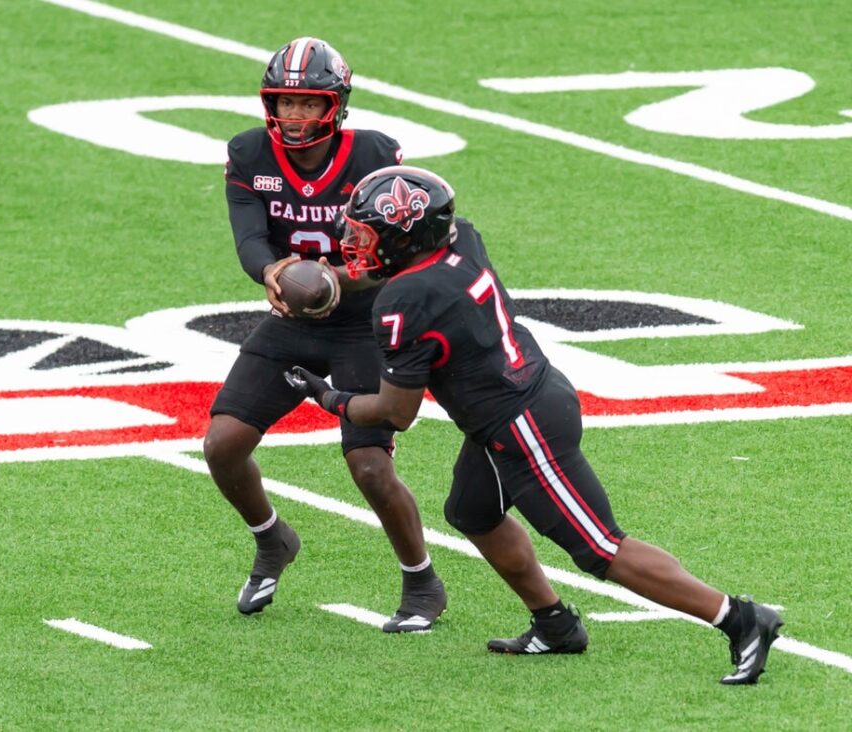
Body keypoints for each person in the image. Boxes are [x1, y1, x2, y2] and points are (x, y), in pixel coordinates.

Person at [284, 165, 784, 684]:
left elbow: (396, 412)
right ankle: (555, 623)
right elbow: (404, 278)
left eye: (367, 234)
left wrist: (331, 397)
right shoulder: (461, 240)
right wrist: (337, 280)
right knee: (472, 511)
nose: (353, 242)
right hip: (523, 396)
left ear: (405, 237)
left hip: (523, 426)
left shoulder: (403, 301)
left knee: (601, 550)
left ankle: (741, 619)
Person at [204, 38, 447, 632]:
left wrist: (338, 281)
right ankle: (271, 540)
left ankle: (422, 582)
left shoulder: (373, 155)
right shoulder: (249, 153)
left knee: (368, 464)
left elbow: (400, 252)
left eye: (308, 104)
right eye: (285, 104)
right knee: (222, 444)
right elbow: (250, 239)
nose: (295, 116)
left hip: (361, 324)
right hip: (291, 318)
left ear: (334, 106)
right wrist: (274, 271)